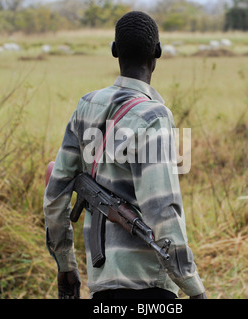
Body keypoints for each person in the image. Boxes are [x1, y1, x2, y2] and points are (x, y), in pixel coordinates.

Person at [43, 11, 206, 299]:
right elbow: (163, 210)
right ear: (157, 52)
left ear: (115, 50)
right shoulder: (154, 116)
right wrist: (193, 288)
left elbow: (55, 196)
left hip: (102, 288)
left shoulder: (86, 106)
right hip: (149, 287)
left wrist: (65, 265)